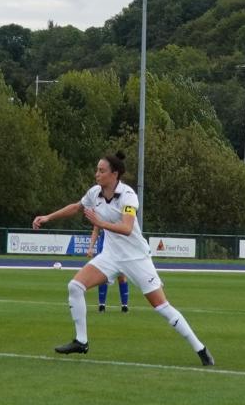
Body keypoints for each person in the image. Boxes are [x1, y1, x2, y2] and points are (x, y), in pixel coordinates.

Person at [32, 152, 214, 366]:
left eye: (102, 171)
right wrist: (48, 217)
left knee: (162, 307)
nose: (97, 174)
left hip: (136, 258)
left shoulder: (128, 195)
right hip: (110, 256)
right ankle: (81, 341)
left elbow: (127, 228)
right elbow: (76, 207)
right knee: (75, 286)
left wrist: (100, 223)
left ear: (115, 174)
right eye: (97, 170)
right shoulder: (94, 193)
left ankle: (200, 349)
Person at [87, 227, 129, 312]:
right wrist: (91, 247)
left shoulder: (121, 219)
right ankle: (101, 305)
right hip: (104, 249)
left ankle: (124, 306)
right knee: (103, 276)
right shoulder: (101, 218)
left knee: (121, 277)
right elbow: (96, 230)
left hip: (120, 249)